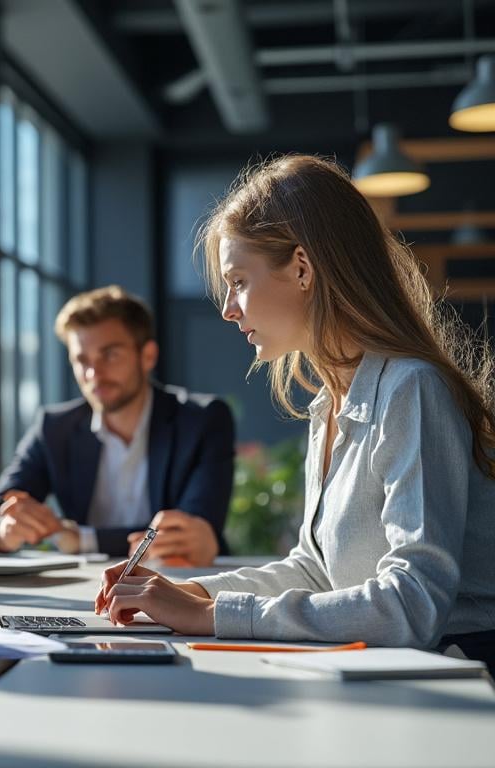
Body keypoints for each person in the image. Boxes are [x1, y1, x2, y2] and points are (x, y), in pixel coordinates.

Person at [95, 156, 495, 664]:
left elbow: (414, 605)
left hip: (461, 677)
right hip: (393, 668)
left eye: (238, 281)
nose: (228, 308)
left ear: (302, 268)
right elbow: (316, 569)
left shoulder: (410, 389)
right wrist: (194, 593)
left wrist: (216, 615)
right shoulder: (330, 402)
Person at [0, 286, 234, 564]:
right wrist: (4, 531)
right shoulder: (54, 428)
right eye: (82, 360)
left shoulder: (202, 420)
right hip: (87, 590)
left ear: (147, 356)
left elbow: (186, 534)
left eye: (110, 355)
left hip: (181, 584)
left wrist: (80, 538)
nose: (94, 374)